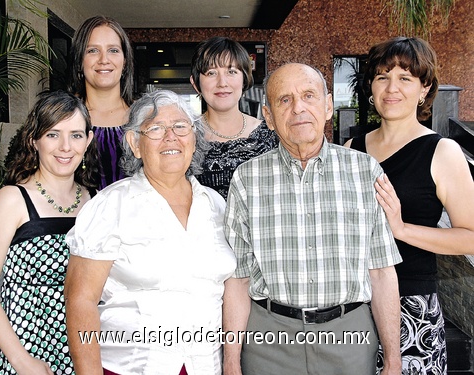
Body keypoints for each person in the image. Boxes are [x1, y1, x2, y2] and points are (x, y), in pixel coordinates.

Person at [223, 63, 403, 375]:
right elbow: (237, 279)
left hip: (351, 340)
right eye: (284, 100)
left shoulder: (365, 172)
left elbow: (382, 273)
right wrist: (231, 361)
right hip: (268, 341)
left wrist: (393, 359)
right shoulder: (247, 179)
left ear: (328, 105)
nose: (298, 109)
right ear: (268, 115)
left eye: (309, 95)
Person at [64, 90, 237, 375]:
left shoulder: (217, 205)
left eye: (181, 126)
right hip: (130, 367)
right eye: (155, 128)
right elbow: (81, 300)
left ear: (194, 139)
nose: (171, 137)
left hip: (206, 366)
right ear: (135, 143)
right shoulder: (110, 205)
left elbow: (230, 289)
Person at [345, 37, 474, 375]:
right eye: (382, 76)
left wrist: (401, 229)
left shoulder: (442, 152)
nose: (391, 88)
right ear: (371, 87)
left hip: (411, 308)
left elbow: (470, 237)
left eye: (405, 78)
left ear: (424, 88)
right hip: (350, 306)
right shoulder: (351, 148)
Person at [0, 90, 99, 375]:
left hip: (86, 352)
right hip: (27, 353)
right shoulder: (12, 199)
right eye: (53, 134)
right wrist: (21, 360)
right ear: (34, 140)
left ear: (88, 140)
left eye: (76, 135)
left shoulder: (96, 202)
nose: (66, 147)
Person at [190, 36, 278, 199]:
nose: (222, 82)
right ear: (196, 84)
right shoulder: (184, 137)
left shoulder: (271, 136)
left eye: (231, 71)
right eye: (211, 73)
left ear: (245, 79)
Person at [68, 15, 135, 189]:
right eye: (92, 50)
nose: (104, 59)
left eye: (113, 50)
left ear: (125, 61)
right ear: (79, 61)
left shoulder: (145, 119)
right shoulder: (60, 119)